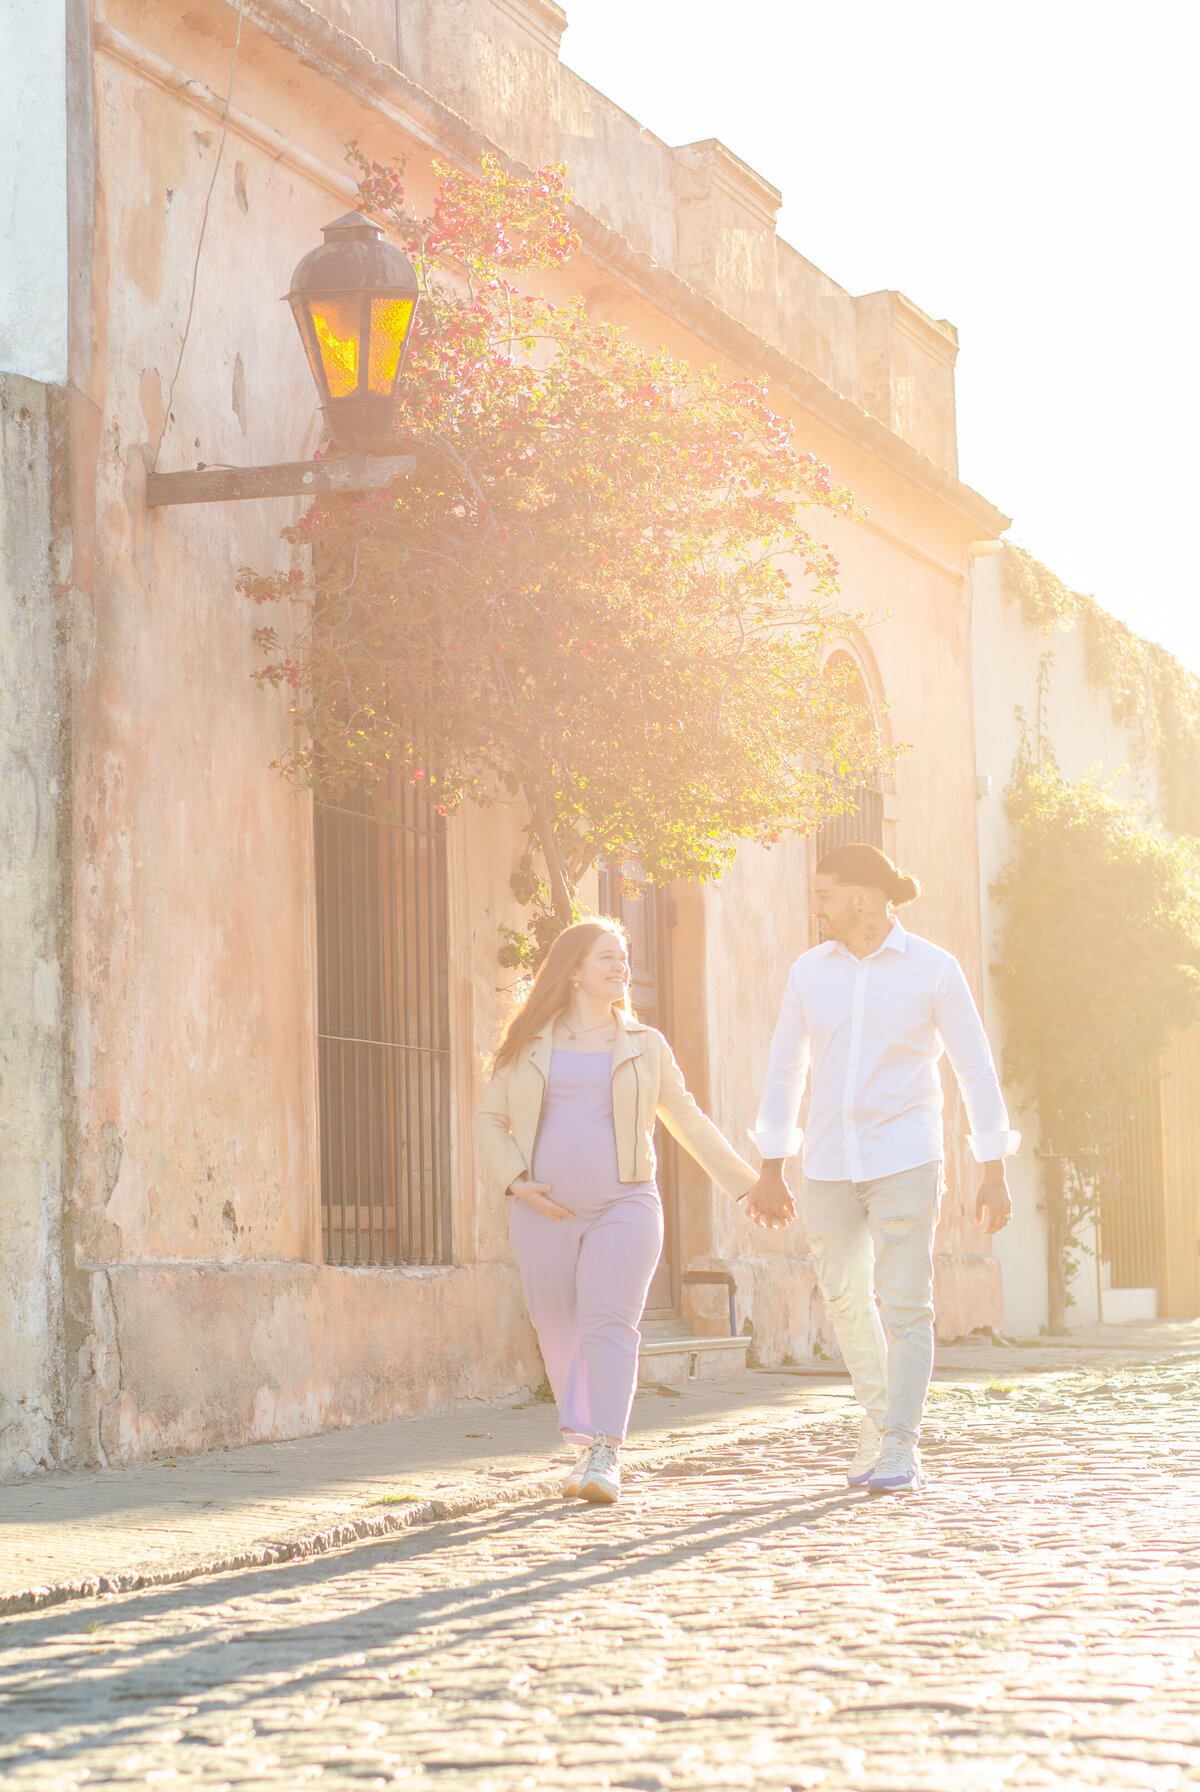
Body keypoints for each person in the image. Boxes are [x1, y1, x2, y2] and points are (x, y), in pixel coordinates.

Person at [746, 843, 1018, 1496]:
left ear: (862, 900)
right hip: (830, 1163)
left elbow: (973, 1067)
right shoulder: (810, 973)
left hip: (905, 1157)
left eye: (824, 894)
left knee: (904, 1304)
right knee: (844, 1298)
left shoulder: (933, 970)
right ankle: (879, 1420)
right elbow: (787, 1068)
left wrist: (993, 1167)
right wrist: (771, 1164)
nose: (816, 907)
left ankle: (900, 1442)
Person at [476, 918, 757, 1505]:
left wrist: (747, 1186)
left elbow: (689, 1121)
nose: (620, 966)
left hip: (624, 1205)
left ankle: (607, 1449)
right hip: (542, 1212)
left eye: (624, 958)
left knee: (609, 1324)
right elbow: (488, 1120)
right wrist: (516, 1182)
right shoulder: (529, 1043)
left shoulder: (645, 1045)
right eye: (607, 957)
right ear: (573, 971)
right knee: (555, 1325)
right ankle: (584, 1441)